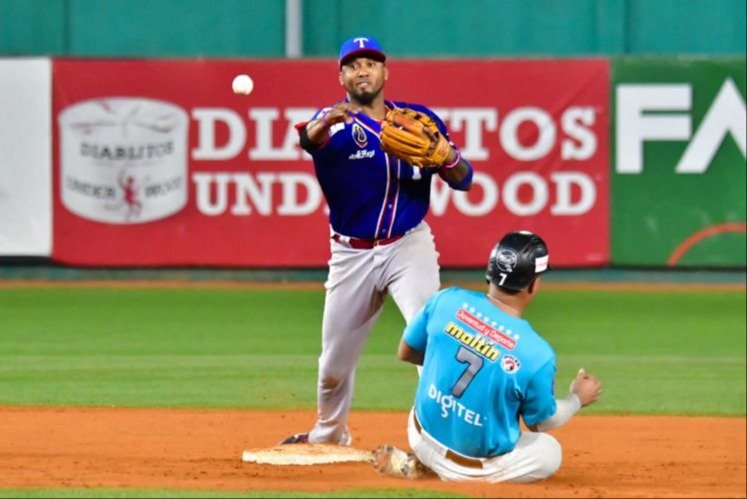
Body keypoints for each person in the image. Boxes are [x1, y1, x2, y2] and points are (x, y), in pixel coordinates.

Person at [281, 35, 474, 446]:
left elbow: (464, 180)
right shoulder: (332, 124)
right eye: (352, 65)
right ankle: (330, 434)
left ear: (385, 71)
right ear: (341, 77)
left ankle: (443, 435)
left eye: (370, 63)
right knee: (333, 364)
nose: (362, 70)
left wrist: (448, 158)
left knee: (429, 338)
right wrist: (326, 122)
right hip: (351, 253)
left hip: (408, 246)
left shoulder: (419, 120)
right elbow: (308, 138)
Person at [373, 230, 603, 483]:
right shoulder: (537, 353)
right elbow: (541, 423)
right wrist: (577, 398)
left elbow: (405, 353)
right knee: (549, 451)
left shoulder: (446, 299)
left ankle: (426, 463)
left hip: (419, 436)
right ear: (533, 284)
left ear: (490, 271)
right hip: (469, 468)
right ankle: (456, 475)